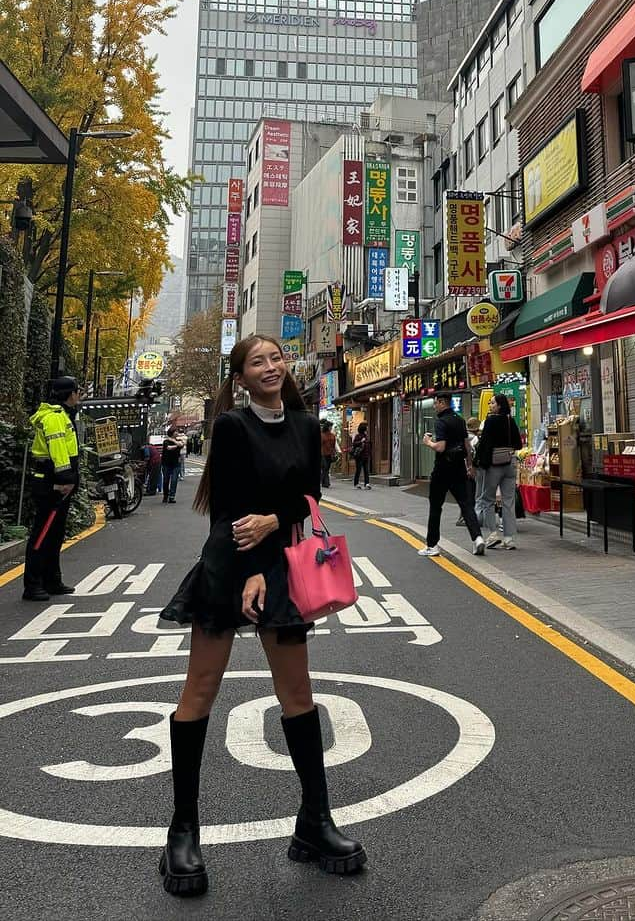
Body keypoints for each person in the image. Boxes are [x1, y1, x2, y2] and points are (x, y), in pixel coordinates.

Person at [158, 335, 365, 897]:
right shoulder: (231, 427)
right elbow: (226, 508)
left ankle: (315, 823)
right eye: (257, 362)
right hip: (230, 565)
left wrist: (274, 523)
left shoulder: (303, 423)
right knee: (199, 690)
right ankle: (182, 831)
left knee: (298, 695)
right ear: (241, 377)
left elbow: (308, 499)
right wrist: (251, 563)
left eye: (275, 359)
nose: (270, 367)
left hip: (282, 566)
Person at [23, 375, 81, 602]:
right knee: (43, 533)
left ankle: (52, 580)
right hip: (52, 483)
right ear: (69, 394)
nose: (79, 395)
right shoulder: (56, 418)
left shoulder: (61, 415)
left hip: (54, 481)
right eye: (77, 391)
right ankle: (34, 584)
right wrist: (65, 479)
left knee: (54, 534)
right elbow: (58, 451)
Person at [420, 393, 485, 558]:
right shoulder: (459, 419)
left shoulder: (441, 421)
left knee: (436, 506)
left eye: (436, 403)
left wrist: (428, 442)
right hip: (459, 468)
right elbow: (467, 446)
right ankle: (477, 538)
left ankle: (432, 545)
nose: (435, 406)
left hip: (442, 469)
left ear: (442, 403)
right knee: (466, 504)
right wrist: (470, 466)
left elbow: (441, 447)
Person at [474, 395, 523, 550]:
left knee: (487, 500)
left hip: (493, 465)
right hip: (510, 463)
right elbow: (518, 444)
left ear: (500, 405)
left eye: (493, 402)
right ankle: (509, 539)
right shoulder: (510, 420)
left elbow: (484, 444)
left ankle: (493, 534)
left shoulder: (490, 421)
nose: (490, 404)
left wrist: (478, 463)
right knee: (508, 501)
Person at [161, 431, 184, 504]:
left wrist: (173, 440)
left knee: (174, 480)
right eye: (175, 431)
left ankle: (172, 497)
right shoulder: (166, 441)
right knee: (166, 480)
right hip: (166, 464)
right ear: (172, 433)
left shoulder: (178, 440)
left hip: (176, 464)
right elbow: (168, 448)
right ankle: (165, 496)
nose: (177, 433)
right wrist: (177, 445)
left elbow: (182, 444)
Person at [351, 425, 370, 489]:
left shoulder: (366, 436)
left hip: (366, 455)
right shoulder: (358, 436)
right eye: (366, 428)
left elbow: (368, 445)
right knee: (358, 470)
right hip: (359, 456)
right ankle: (356, 483)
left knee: (366, 470)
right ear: (363, 429)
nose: (367, 428)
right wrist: (361, 441)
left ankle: (367, 484)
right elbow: (354, 444)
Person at [319, 420, 337, 489]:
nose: (331, 428)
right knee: (325, 467)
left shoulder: (332, 435)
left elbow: (334, 445)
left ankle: (323, 481)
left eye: (331, 426)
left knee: (327, 468)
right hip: (322, 453)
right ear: (327, 427)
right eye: (330, 426)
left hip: (330, 454)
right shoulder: (321, 435)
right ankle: (326, 483)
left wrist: (335, 452)